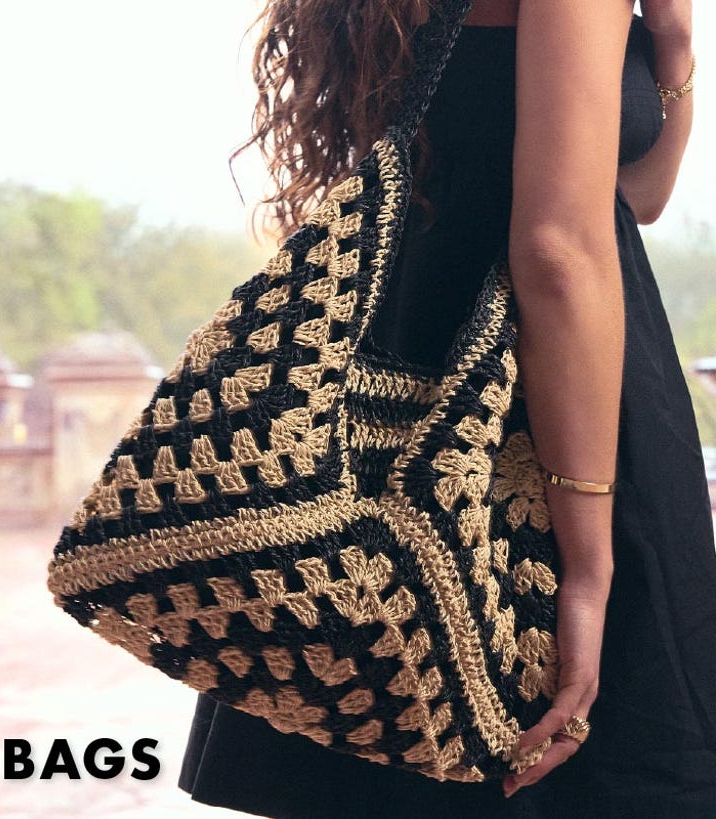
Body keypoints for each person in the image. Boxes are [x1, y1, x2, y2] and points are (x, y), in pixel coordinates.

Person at [178, 0, 716, 815]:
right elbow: (560, 249)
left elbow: (633, 197)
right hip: (553, 410)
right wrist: (587, 567)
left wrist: (673, 46)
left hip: (388, 381)